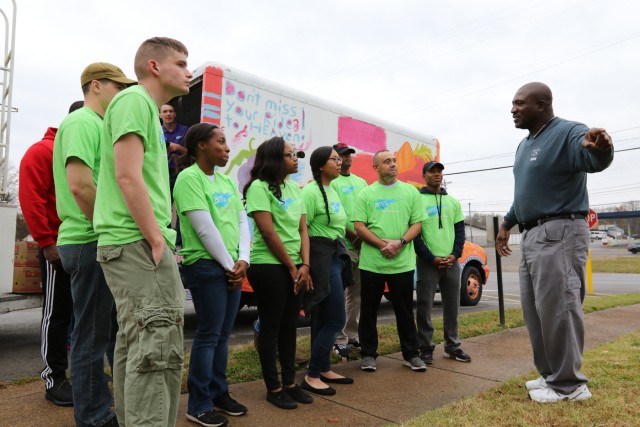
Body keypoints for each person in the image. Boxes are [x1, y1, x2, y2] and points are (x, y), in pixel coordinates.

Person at [93, 37, 193, 426]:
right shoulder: (135, 102)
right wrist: (155, 237)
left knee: (137, 345)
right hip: (137, 242)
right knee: (157, 346)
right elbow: (126, 175)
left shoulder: (142, 109)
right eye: (181, 63)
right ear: (154, 66)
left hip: (131, 241)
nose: (188, 71)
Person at [496, 82, 613, 403]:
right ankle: (550, 375)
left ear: (542, 104)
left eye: (520, 103)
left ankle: (570, 385)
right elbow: (526, 194)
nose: (513, 109)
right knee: (537, 310)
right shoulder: (524, 145)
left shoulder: (568, 132)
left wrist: (601, 148)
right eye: (513, 103)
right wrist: (507, 223)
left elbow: (592, 157)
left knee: (559, 307)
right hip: (531, 234)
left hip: (560, 230)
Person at [53, 63, 135, 427]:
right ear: (96, 86)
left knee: (102, 333)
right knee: (91, 336)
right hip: (90, 240)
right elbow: (80, 186)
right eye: (118, 87)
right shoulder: (84, 122)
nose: (122, 94)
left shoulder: (94, 124)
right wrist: (110, 230)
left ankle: (103, 409)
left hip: (90, 238)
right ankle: (96, 418)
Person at [174, 123, 250, 427]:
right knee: (208, 334)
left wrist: (243, 259)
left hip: (231, 264)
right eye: (221, 142)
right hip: (206, 265)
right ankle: (199, 403)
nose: (227, 148)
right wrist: (231, 264)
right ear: (201, 146)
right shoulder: (188, 179)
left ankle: (220, 393)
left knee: (222, 334)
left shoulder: (226, 182)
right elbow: (204, 228)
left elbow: (243, 221)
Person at [243, 137, 313, 410]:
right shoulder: (259, 188)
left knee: (290, 326)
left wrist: (305, 265)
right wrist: (294, 267)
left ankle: (290, 384)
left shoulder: (295, 189)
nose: (295, 158)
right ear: (274, 158)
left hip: (296, 265)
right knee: (271, 327)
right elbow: (268, 232)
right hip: (269, 266)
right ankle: (273, 388)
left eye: (295, 154)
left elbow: (303, 230)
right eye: (289, 154)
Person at [354, 150, 427, 372]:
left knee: (405, 311)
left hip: (402, 263)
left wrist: (400, 243)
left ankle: (411, 354)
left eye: (394, 161)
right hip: (372, 264)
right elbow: (359, 226)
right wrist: (382, 245)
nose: (393, 165)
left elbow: (417, 224)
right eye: (387, 162)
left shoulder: (410, 192)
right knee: (368, 311)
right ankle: (368, 354)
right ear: (376, 167)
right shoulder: (366, 194)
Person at [19, 125, 74, 407]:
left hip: (84, 245)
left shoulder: (80, 150)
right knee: (57, 314)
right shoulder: (43, 151)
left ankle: (82, 375)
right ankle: (54, 379)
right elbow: (31, 198)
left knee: (83, 315)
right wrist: (46, 242)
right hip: (58, 247)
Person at [300, 146, 354, 396]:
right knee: (335, 319)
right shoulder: (310, 192)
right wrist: (306, 265)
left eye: (339, 158)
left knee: (324, 319)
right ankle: (311, 375)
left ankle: (323, 367)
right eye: (334, 159)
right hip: (321, 259)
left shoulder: (332, 190)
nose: (340, 162)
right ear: (321, 165)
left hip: (336, 256)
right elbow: (303, 232)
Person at [413, 161, 471, 365]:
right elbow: (416, 234)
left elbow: (460, 232)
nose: (437, 175)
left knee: (453, 305)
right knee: (424, 305)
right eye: (432, 171)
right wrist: (430, 257)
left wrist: (455, 255)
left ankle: (452, 346)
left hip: (451, 262)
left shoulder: (453, 202)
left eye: (440, 172)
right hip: (427, 262)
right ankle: (426, 347)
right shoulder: (417, 200)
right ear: (424, 176)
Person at [330, 142, 367, 360]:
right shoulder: (332, 183)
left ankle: (353, 335)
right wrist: (352, 234)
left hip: (362, 246)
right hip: (341, 245)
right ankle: (338, 338)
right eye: (342, 155)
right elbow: (335, 214)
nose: (347, 158)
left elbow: (367, 210)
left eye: (349, 155)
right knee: (339, 294)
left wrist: (364, 234)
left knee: (356, 295)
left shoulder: (361, 182)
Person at [161, 103, 189, 195]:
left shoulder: (185, 130)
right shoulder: (157, 132)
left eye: (171, 111)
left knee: (183, 201)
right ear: (160, 115)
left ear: (175, 114)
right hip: (163, 173)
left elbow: (193, 153)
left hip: (182, 171)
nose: (168, 114)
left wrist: (178, 147)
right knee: (166, 203)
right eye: (165, 112)